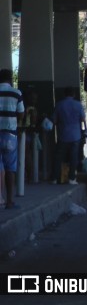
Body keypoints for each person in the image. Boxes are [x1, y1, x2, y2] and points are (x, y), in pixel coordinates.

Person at [0, 68, 25, 209]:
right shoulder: (16, 93)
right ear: (10, 79)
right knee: (10, 168)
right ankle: (9, 201)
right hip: (10, 134)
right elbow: (21, 114)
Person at [52, 87, 86, 185]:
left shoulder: (59, 105)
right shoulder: (78, 105)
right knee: (74, 157)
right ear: (74, 94)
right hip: (76, 135)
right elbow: (83, 119)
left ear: (64, 94)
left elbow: (54, 120)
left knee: (58, 157)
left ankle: (55, 178)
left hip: (63, 134)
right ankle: (72, 178)